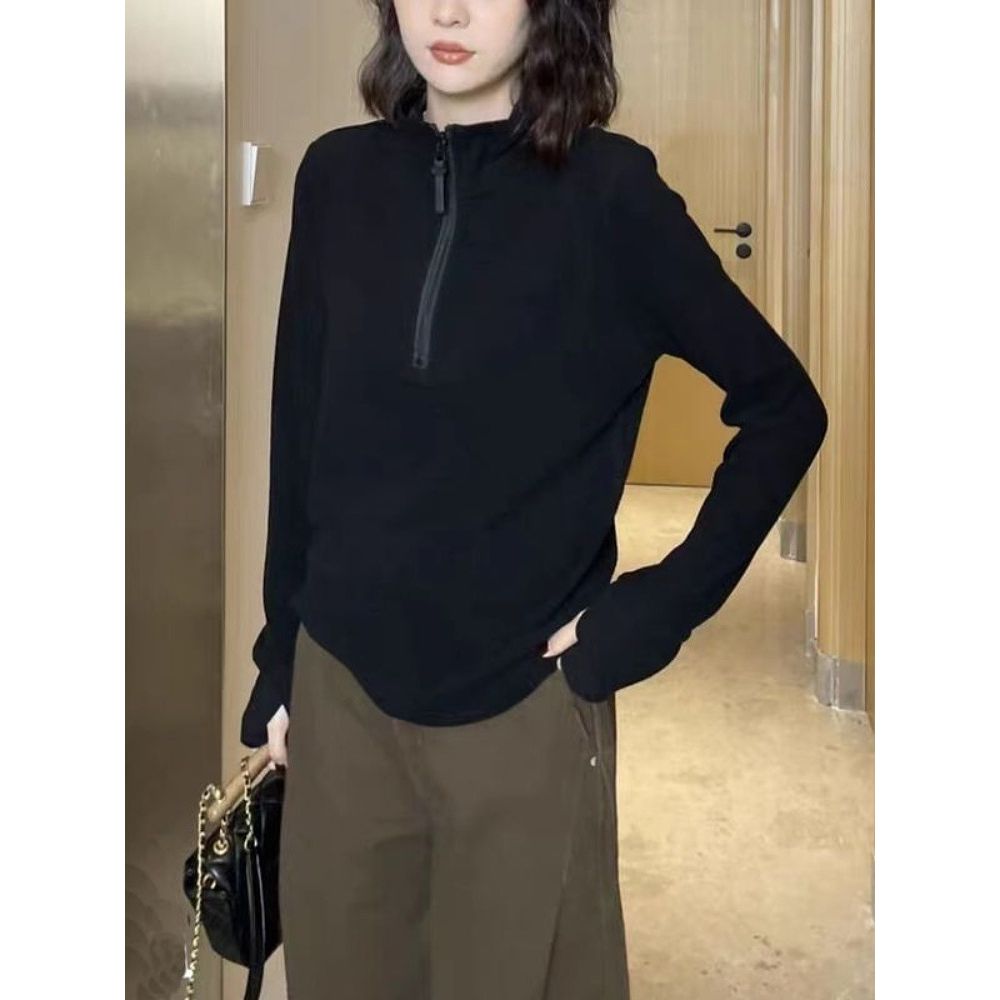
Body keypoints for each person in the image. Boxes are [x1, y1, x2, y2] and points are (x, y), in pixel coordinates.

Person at [240, 0, 829, 997]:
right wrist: (279, 661)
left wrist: (658, 607)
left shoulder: (612, 196)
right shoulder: (336, 178)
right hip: (340, 691)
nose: (449, 10)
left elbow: (785, 408)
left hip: (524, 703)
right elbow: (300, 436)